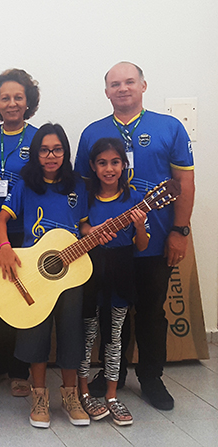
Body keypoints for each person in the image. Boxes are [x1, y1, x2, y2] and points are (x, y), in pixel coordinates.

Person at [74, 62, 195, 411]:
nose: (122, 88)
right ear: (106, 91)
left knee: (152, 312)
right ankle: (112, 374)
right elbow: (81, 188)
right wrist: (84, 229)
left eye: (129, 82)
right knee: (109, 312)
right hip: (107, 248)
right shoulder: (91, 133)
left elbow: (184, 183)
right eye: (115, 84)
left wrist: (179, 230)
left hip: (154, 240)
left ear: (143, 85)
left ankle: (151, 377)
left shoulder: (169, 127)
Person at [0, 123, 92, 428]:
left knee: (70, 333)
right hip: (35, 273)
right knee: (36, 334)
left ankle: (70, 395)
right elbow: (1, 220)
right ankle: (39, 396)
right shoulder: (26, 185)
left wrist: (98, 234)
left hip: (71, 274)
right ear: (36, 154)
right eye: (44, 150)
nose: (51, 155)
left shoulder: (78, 186)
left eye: (57, 149)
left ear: (65, 151)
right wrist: (5, 247)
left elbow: (84, 227)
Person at [0, 69, 40, 396]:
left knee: (25, 301)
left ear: (28, 101)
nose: (12, 103)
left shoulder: (39, 138)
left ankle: (20, 369)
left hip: (28, 234)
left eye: (18, 97)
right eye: (5, 98)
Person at [77, 138, 148, 426]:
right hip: (89, 270)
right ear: (93, 166)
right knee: (87, 333)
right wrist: (89, 230)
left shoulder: (134, 200)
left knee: (115, 336)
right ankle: (82, 390)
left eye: (115, 162)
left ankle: (110, 394)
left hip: (121, 270)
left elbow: (142, 246)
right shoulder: (85, 197)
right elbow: (79, 227)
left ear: (124, 165)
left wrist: (140, 224)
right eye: (103, 163)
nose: (109, 168)